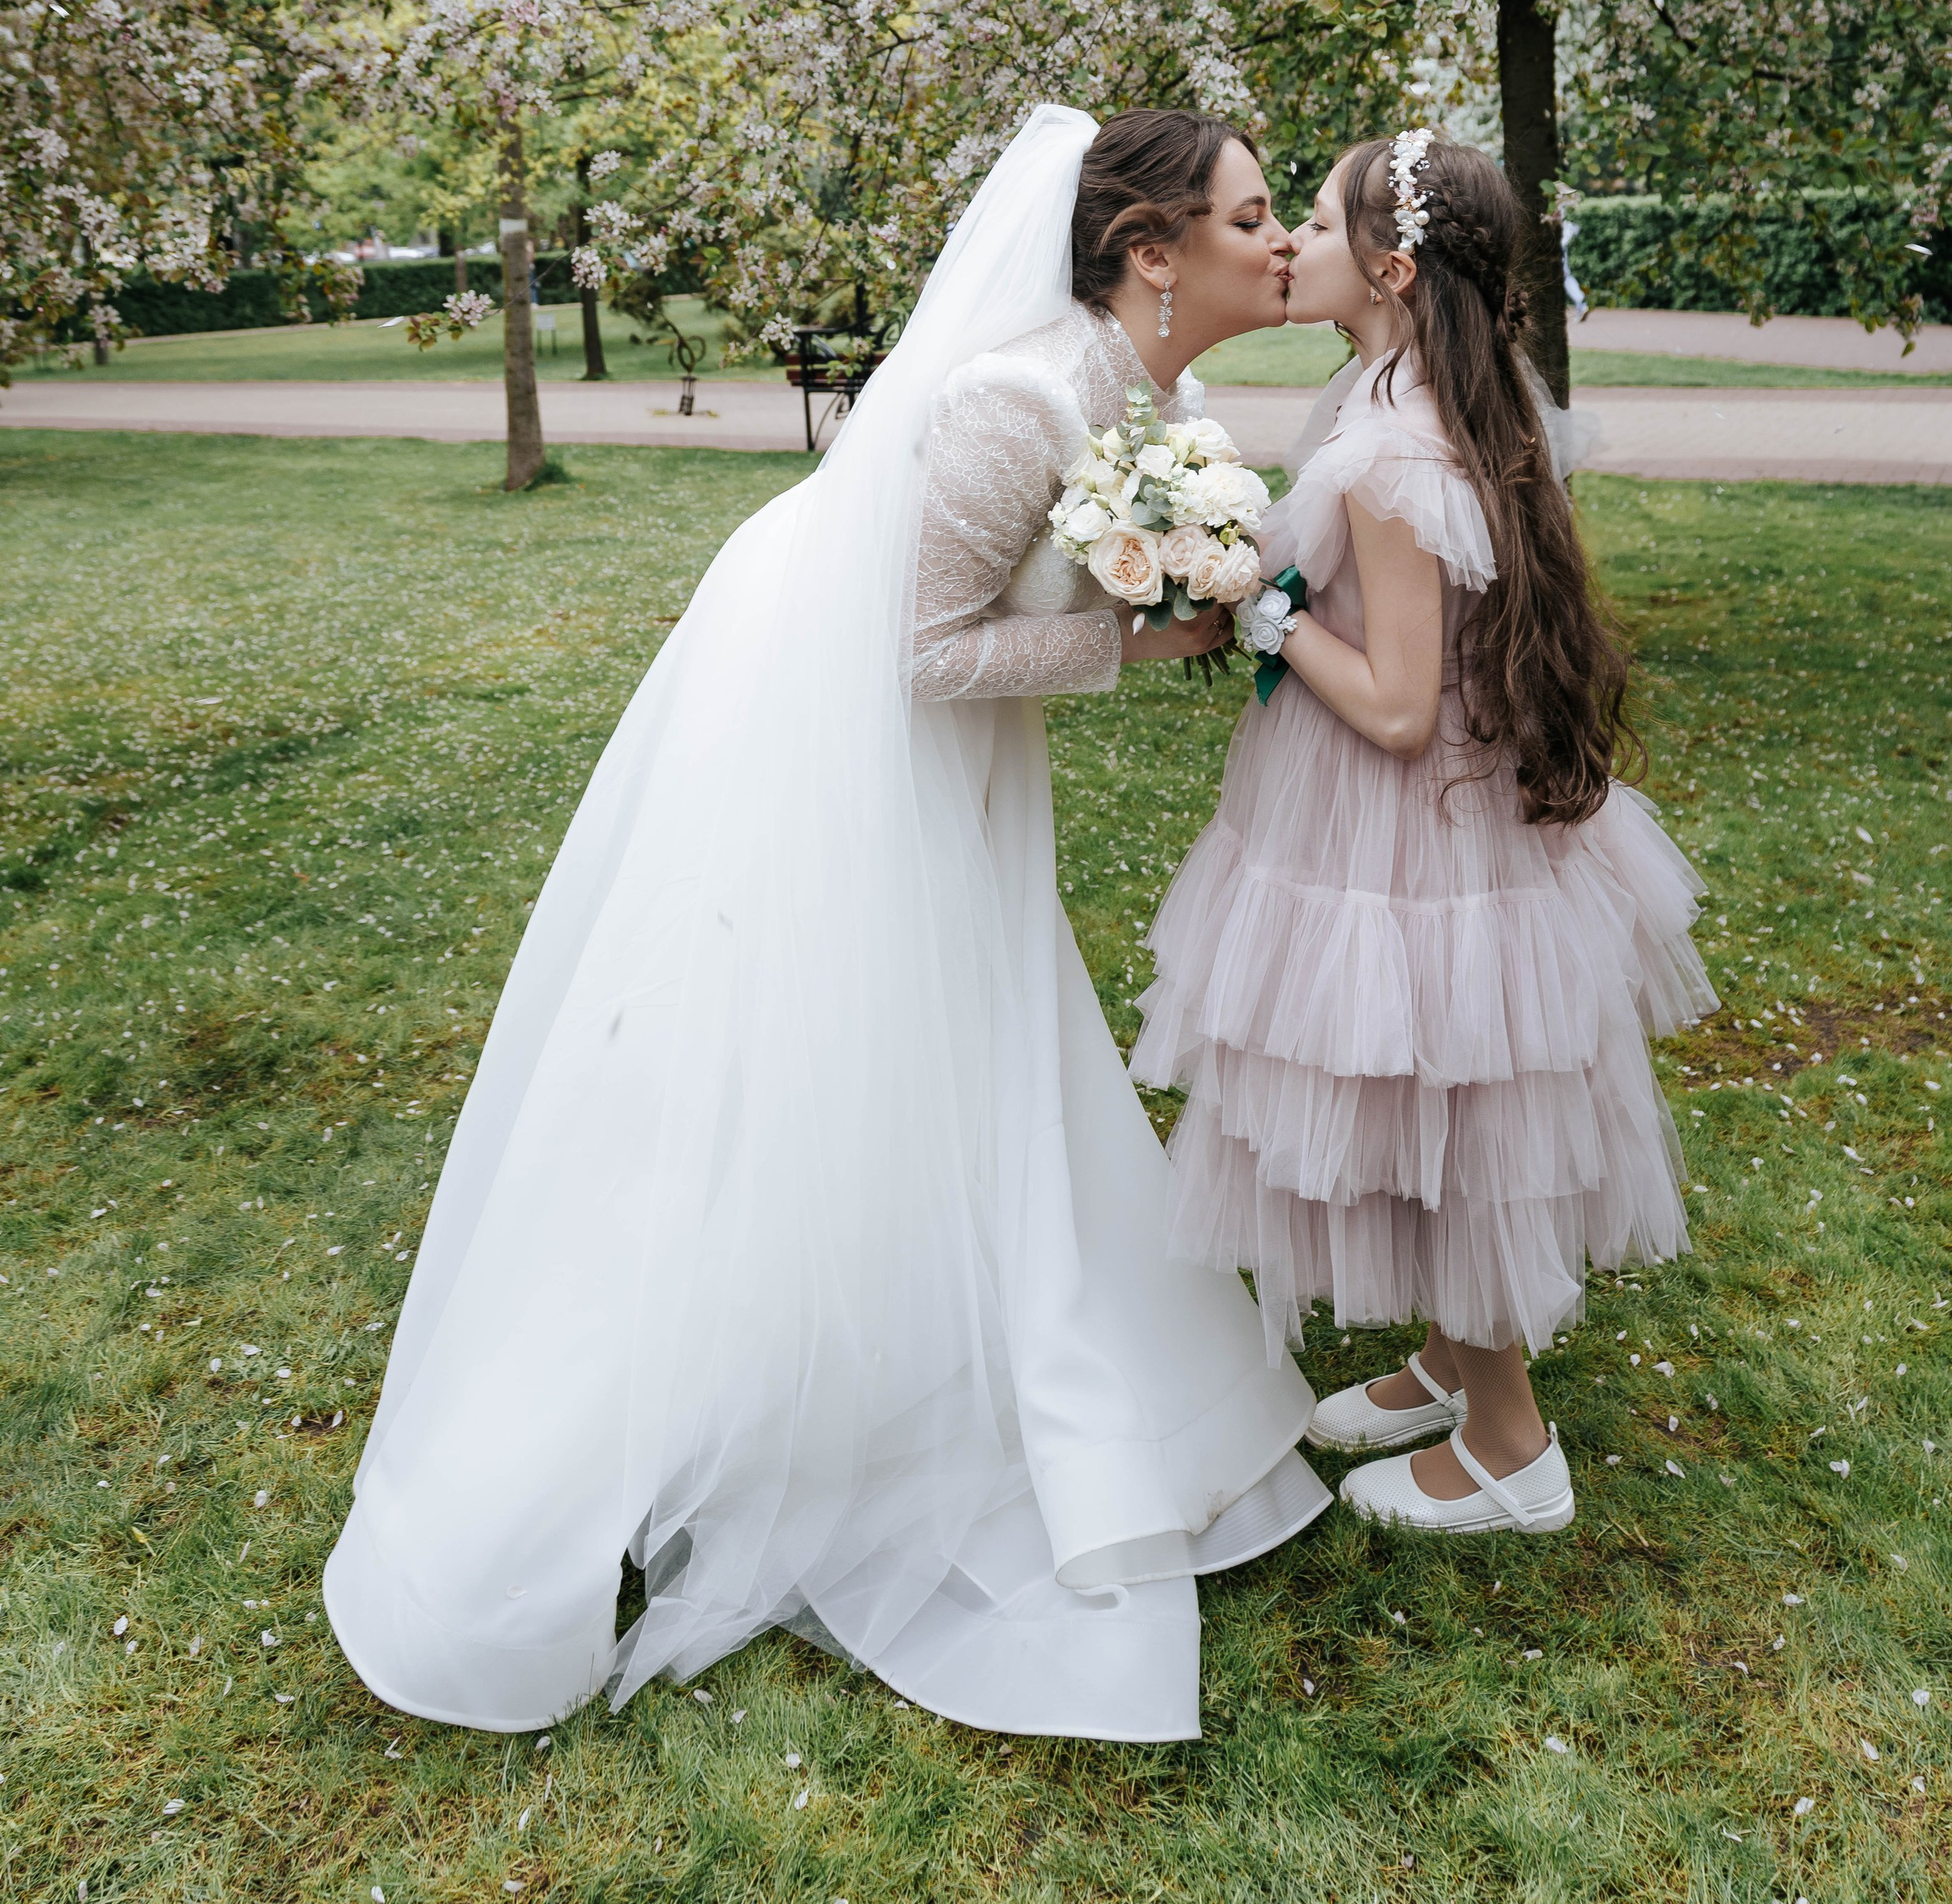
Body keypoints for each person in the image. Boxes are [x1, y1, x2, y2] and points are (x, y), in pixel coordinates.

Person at [323, 105, 1330, 1744]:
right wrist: (1146, 646)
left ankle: (956, 1357)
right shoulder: (1020, 399)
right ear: (1151, 254)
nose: (1280, 240)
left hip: (947, 767)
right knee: (806, 1062)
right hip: (832, 750)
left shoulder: (1159, 402)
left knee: (972, 1048)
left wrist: (1181, 593)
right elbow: (922, 652)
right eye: (1252, 214)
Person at [1133, 130, 1716, 1536]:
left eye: (1315, 224)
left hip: (1414, 823)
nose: (1291, 245)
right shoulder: (1415, 394)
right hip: (1439, 810)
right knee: (1430, 1096)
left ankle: (1512, 1449)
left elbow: (1398, 707)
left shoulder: (1395, 451)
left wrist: (1259, 605)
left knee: (1446, 1105)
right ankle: (1454, 1362)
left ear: (1390, 271)